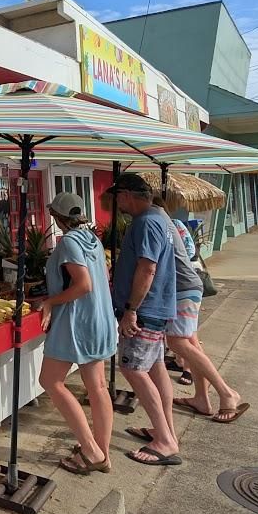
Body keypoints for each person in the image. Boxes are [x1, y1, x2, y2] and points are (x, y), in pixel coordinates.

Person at [36, 195, 117, 474]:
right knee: (97, 387)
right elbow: (102, 276)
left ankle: (91, 450)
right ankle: (100, 451)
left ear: (58, 218)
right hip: (99, 318)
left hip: (76, 321)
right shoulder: (92, 239)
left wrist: (50, 302)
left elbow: (83, 285)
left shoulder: (69, 242)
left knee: (50, 380)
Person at [106, 172, 181, 467]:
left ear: (126, 195)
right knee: (155, 368)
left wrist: (131, 309)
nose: (117, 204)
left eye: (118, 197)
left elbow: (147, 269)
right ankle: (167, 430)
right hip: (157, 307)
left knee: (133, 370)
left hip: (146, 311)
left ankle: (164, 440)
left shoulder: (147, 222)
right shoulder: (159, 218)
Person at [164, 208, 247, 424]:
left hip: (181, 288)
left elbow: (176, 257)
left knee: (176, 341)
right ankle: (201, 398)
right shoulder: (175, 225)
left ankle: (227, 392)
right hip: (191, 284)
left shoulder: (164, 226)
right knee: (192, 343)